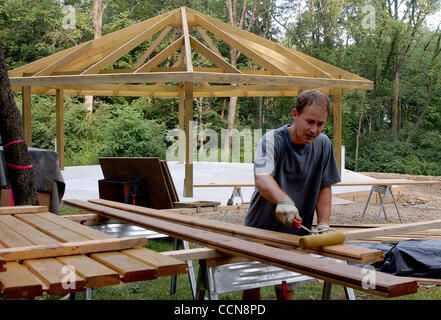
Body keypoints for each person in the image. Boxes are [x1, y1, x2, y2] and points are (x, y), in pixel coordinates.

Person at [242, 89, 341, 300]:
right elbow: (262, 177)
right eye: (310, 121)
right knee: (252, 288)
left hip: (296, 235)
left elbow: (325, 186)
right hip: (260, 230)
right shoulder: (272, 140)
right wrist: (283, 201)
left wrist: (323, 223)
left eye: (320, 124)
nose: (314, 130)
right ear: (295, 114)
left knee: (286, 291)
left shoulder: (323, 145)